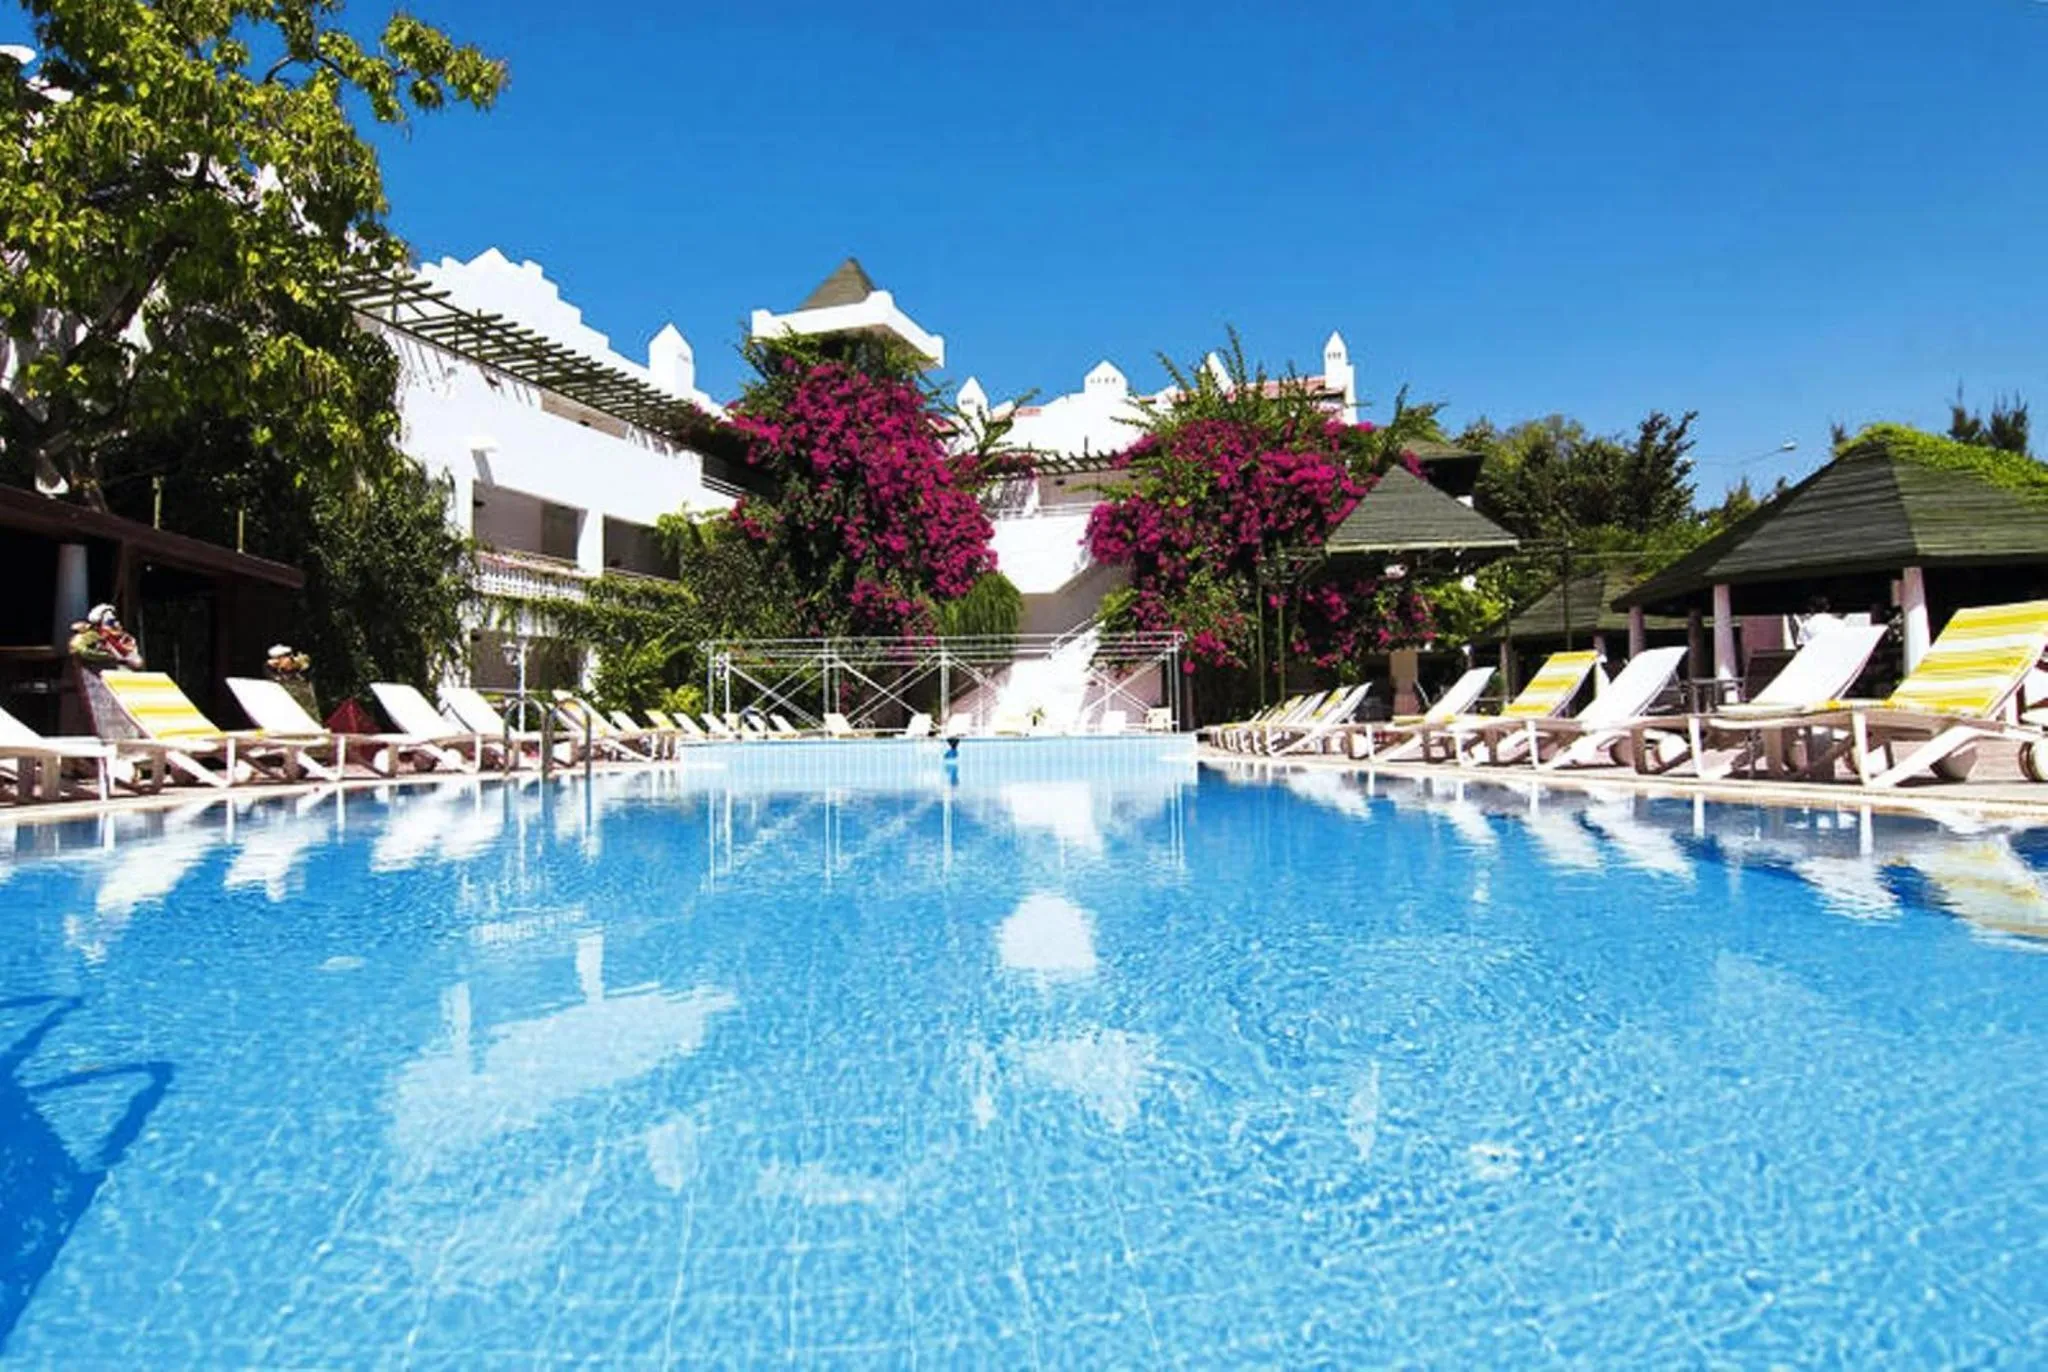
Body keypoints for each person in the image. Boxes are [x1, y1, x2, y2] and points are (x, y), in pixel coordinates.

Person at [67, 603, 143, 669]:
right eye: (110, 622)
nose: (116, 624)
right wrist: (106, 656)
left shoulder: (124, 639)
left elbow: (136, 661)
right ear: (99, 625)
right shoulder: (92, 636)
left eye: (115, 621)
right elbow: (78, 647)